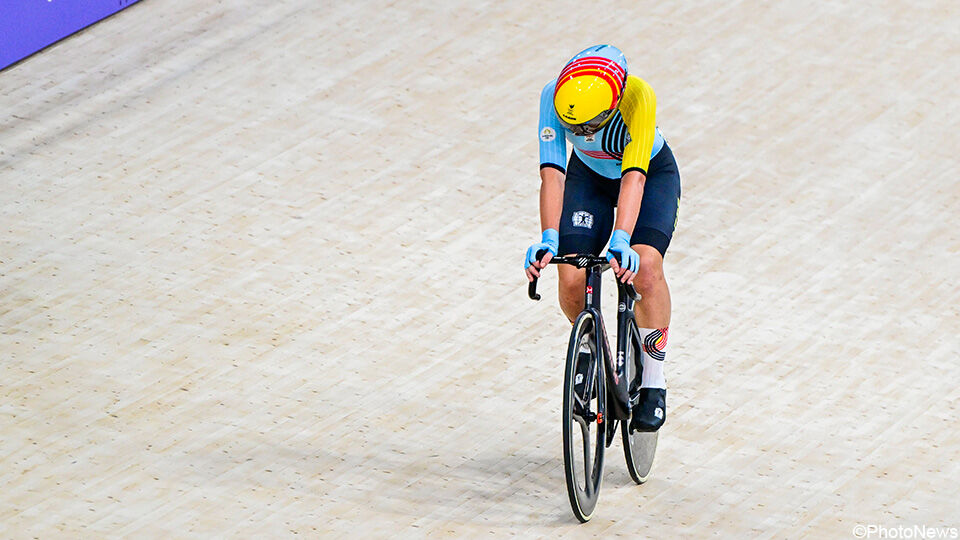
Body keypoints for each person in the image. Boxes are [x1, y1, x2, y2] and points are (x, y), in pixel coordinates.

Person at [523, 45, 680, 432]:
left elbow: (635, 177)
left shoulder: (638, 97)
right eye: (570, 127)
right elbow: (553, 174)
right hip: (588, 179)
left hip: (648, 175)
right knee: (572, 273)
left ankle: (654, 381)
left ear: (611, 107)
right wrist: (548, 236)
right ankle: (592, 344)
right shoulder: (552, 95)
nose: (578, 134)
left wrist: (622, 239)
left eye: (587, 128)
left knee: (644, 268)